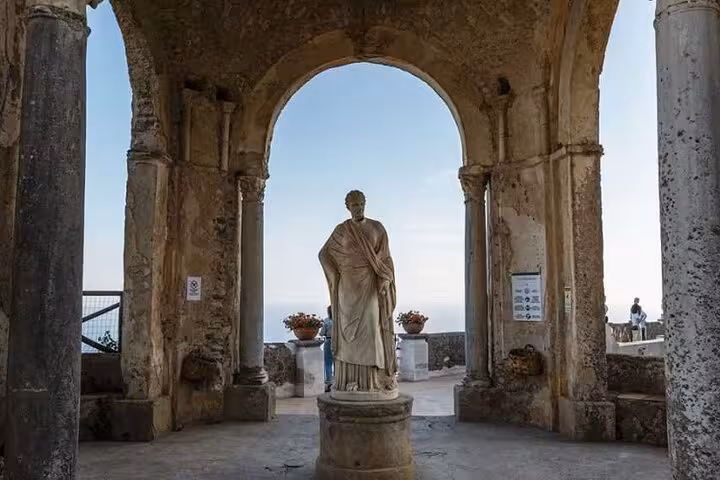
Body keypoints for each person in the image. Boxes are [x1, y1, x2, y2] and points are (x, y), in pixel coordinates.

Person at [318, 190, 398, 398]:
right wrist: (335, 276)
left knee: (372, 330)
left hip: (370, 286)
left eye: (361, 204)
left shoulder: (377, 228)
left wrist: (385, 278)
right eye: (354, 205)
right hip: (347, 288)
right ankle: (347, 381)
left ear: (365, 204)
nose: (358, 208)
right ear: (348, 207)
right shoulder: (341, 230)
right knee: (347, 336)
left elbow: (386, 259)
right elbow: (324, 254)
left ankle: (372, 381)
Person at [320, 305, 334, 391]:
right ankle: (338, 381)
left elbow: (321, 333)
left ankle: (329, 382)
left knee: (328, 363)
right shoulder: (340, 321)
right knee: (338, 362)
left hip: (328, 341)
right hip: (338, 342)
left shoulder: (326, 321)